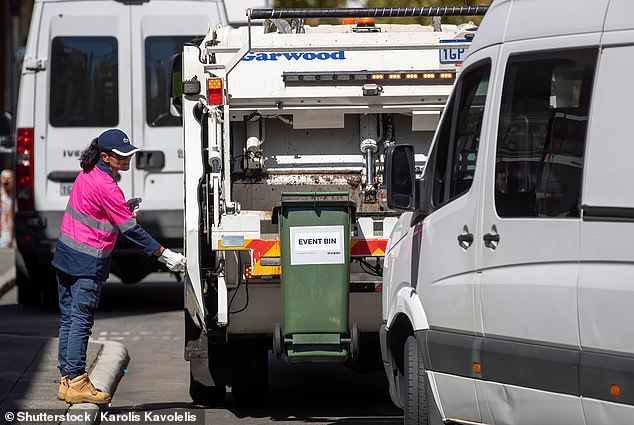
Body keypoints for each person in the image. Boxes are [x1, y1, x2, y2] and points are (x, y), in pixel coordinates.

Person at [51, 129, 186, 404]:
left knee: (68, 318)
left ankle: (67, 379)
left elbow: (97, 211)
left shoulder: (88, 173)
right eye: (123, 155)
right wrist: (164, 255)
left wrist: (122, 207)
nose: (129, 158)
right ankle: (78, 381)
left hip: (65, 256)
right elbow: (132, 231)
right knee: (81, 321)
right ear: (105, 157)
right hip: (86, 263)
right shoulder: (107, 185)